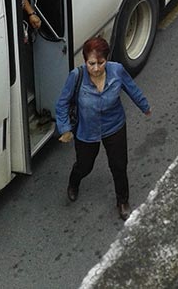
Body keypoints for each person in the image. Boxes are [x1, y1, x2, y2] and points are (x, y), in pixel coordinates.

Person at [56, 36, 152, 221]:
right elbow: (62, 104)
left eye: (101, 63)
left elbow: (132, 88)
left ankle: (122, 201)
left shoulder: (117, 70)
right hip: (86, 131)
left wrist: (144, 106)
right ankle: (74, 182)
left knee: (119, 165)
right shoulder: (76, 76)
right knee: (85, 166)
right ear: (85, 61)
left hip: (114, 125)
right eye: (92, 63)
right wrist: (65, 129)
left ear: (107, 60)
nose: (96, 68)